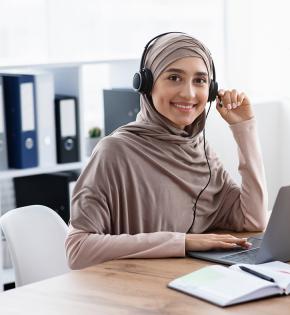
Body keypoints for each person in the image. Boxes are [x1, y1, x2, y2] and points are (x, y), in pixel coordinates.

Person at [65, 32, 268, 269]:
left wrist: (244, 128)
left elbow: (252, 218)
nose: (189, 94)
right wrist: (181, 242)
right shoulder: (114, 152)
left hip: (184, 285)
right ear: (146, 84)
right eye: (174, 77)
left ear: (211, 90)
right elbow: (77, 249)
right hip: (130, 291)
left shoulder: (200, 151)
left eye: (200, 81)